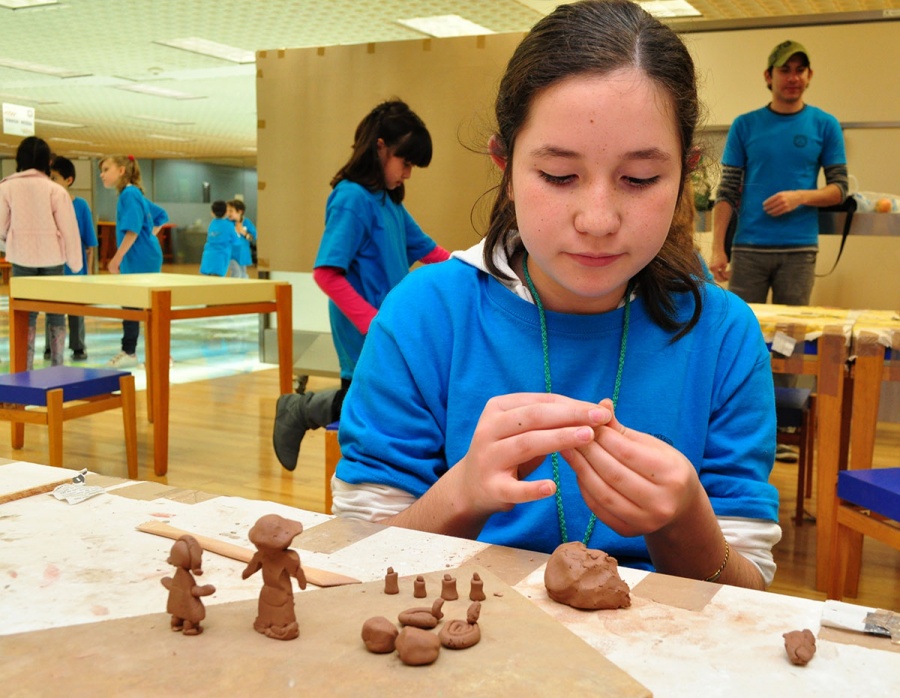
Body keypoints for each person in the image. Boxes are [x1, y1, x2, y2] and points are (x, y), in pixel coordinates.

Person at [331, 0, 781, 591]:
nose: (597, 220)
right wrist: (460, 495)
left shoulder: (722, 335)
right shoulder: (424, 316)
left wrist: (686, 523)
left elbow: (749, 594)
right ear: (506, 165)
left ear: (684, 175)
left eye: (640, 179)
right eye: (559, 176)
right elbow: (354, 559)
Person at [272, 99, 451, 472]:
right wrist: (370, 321)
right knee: (370, 403)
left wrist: (484, 269)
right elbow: (326, 273)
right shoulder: (352, 199)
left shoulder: (388, 202)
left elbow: (431, 251)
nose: (409, 173)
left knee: (386, 401)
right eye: (406, 162)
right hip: (364, 328)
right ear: (380, 147)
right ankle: (300, 409)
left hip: (386, 327)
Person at [709, 40, 848, 302]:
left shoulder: (825, 125)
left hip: (799, 250)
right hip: (748, 248)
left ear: (809, 76)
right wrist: (718, 249)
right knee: (746, 331)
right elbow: (727, 191)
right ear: (768, 76)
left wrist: (799, 197)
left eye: (800, 70)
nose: (793, 77)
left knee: (790, 335)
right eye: (784, 70)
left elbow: (839, 190)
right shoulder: (745, 125)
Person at [0, 136, 83, 369]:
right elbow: (69, 229)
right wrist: (75, 264)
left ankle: (24, 369)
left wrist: (11, 243)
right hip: (52, 258)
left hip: (22, 258)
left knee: (25, 314)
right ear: (47, 161)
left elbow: (0, 226)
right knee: (56, 312)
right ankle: (56, 367)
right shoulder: (55, 190)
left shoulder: (6, 187)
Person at [99, 155, 169, 367]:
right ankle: (144, 352)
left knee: (138, 306)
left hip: (141, 259)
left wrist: (115, 260)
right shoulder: (133, 193)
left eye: (105, 169)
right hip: (141, 256)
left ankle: (142, 352)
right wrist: (151, 237)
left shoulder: (129, 194)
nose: (102, 174)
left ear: (121, 170)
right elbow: (161, 215)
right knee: (135, 305)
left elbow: (132, 230)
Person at [43, 155, 98, 362]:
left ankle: (78, 346)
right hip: (52, 266)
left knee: (76, 311)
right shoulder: (45, 204)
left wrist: (90, 274)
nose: (51, 182)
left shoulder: (81, 206)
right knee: (52, 309)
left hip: (75, 269)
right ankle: (51, 345)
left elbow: (90, 243)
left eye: (55, 178)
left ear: (69, 180)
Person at [199, 200, 238, 277]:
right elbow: (236, 240)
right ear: (226, 212)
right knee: (217, 281)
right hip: (220, 258)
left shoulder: (212, 223)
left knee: (207, 282)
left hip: (208, 256)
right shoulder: (229, 225)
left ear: (212, 213)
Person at [226, 199, 256, 278]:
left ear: (240, 211)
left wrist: (243, 232)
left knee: (243, 274)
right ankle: (234, 289)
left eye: (231, 211)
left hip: (243, 254)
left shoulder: (247, 223)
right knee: (236, 272)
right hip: (230, 254)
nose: (228, 213)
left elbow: (253, 237)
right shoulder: (226, 223)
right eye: (227, 211)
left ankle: (244, 289)